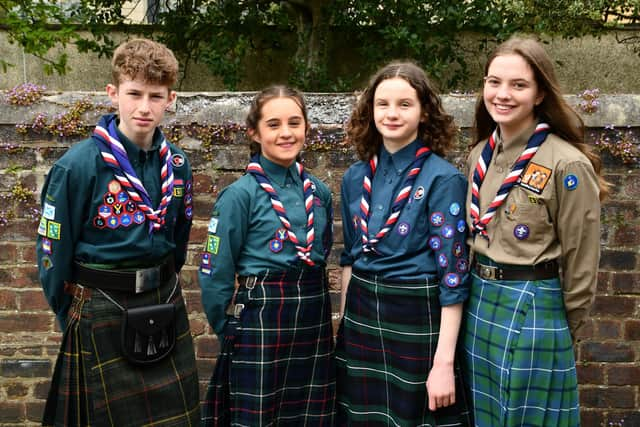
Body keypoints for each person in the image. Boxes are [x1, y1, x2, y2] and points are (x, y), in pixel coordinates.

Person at [36, 38, 200, 426]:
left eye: (155, 96)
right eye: (134, 94)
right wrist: (73, 314)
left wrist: (163, 284)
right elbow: (51, 253)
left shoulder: (177, 164)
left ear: (170, 99)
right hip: (99, 306)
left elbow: (179, 238)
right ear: (113, 94)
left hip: (163, 300)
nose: (144, 107)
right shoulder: (77, 166)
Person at [462, 36, 608, 426]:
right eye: (494, 82)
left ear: (541, 92)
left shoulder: (567, 164)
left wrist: (562, 330)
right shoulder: (479, 155)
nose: (502, 94)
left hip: (533, 309)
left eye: (518, 85)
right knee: (486, 415)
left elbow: (582, 261)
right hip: (479, 301)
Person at [336, 61, 473, 426]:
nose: (391, 114)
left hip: (416, 315)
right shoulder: (354, 177)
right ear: (371, 110)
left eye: (404, 104)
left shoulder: (444, 180)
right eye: (383, 104)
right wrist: (344, 326)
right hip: (362, 314)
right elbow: (350, 258)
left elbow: (454, 279)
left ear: (424, 111)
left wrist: (443, 362)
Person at [199, 85, 335, 426]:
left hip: (313, 314)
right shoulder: (239, 196)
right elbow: (215, 269)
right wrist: (223, 324)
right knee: (259, 417)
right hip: (262, 317)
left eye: (295, 122)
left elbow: (324, 249)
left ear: (306, 128)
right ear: (254, 132)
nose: (286, 133)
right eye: (273, 124)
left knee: (311, 416)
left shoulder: (319, 192)